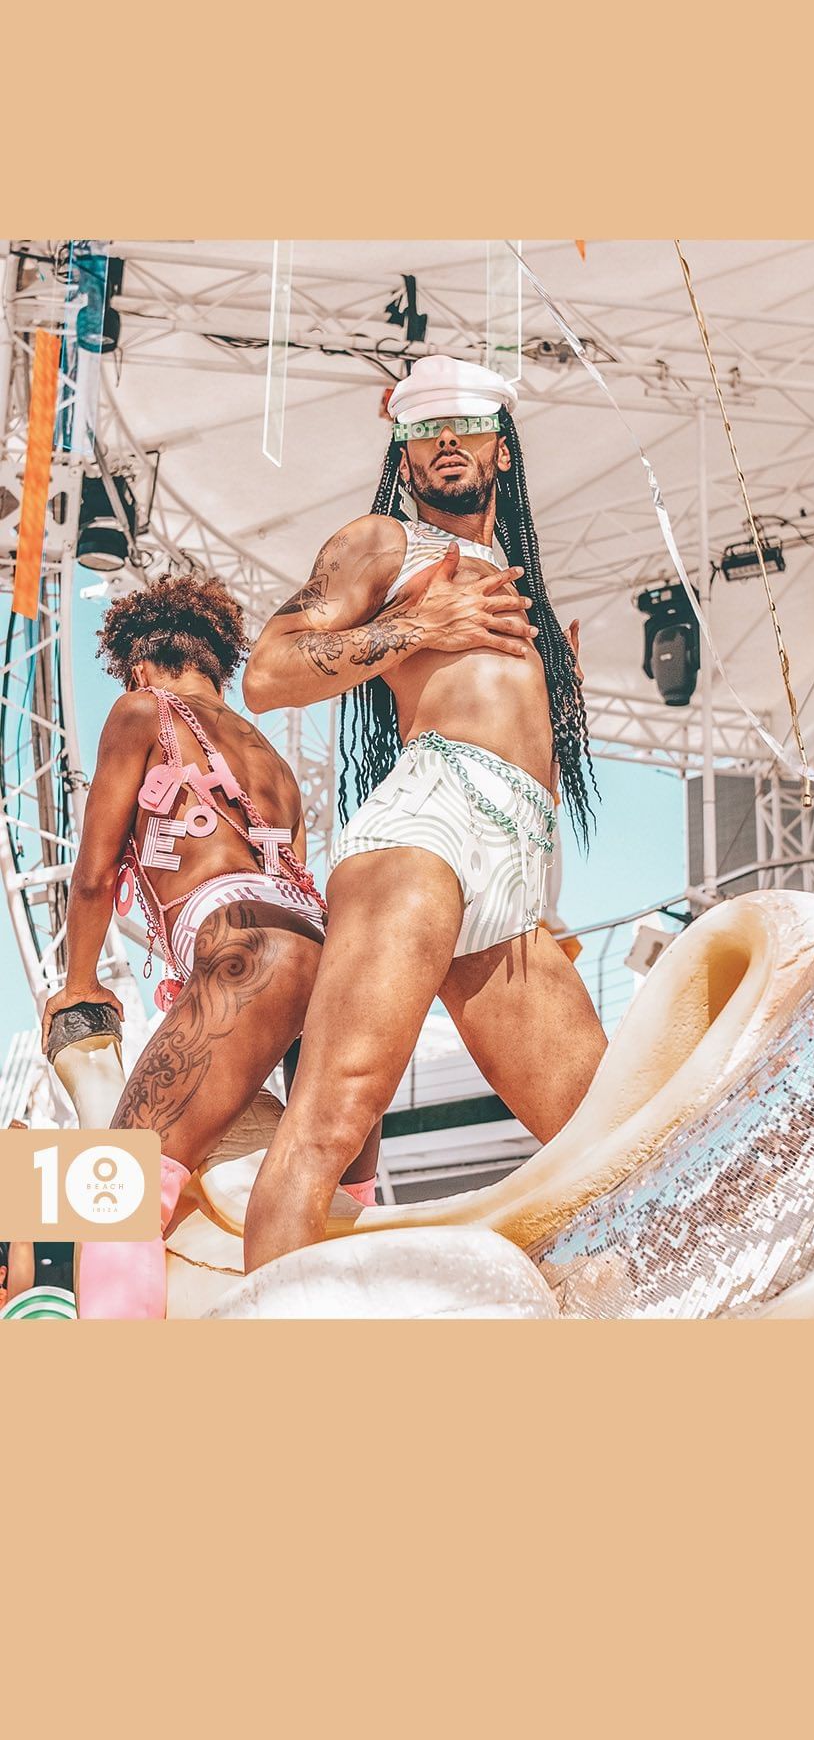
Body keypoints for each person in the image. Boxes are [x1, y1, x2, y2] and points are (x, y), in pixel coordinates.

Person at [242, 354, 607, 1269]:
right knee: (331, 1122)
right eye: (423, 430)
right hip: (425, 829)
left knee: (610, 1142)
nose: (446, 441)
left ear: (502, 449)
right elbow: (268, 673)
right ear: (403, 459)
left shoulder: (515, 585)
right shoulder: (383, 544)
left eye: (465, 425)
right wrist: (415, 629)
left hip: (512, 874)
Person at [38, 574, 373, 1318]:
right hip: (338, 970)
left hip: (248, 952)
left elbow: (94, 876)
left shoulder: (142, 712)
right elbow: (293, 887)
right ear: (218, 664)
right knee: (345, 1210)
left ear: (138, 666)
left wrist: (80, 983)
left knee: (116, 1192)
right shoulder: (276, 766)